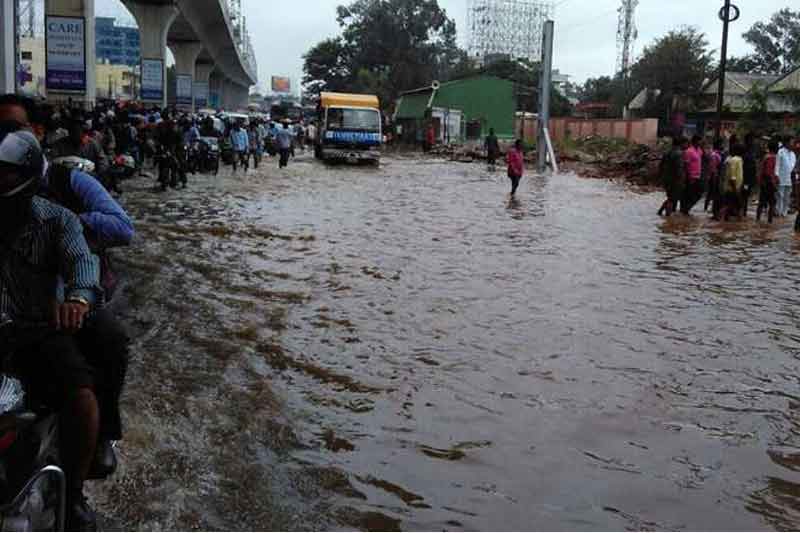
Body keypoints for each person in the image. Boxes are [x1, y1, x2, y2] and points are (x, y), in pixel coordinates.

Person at [0, 124, 118, 531]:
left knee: (83, 397)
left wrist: (78, 298)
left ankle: (74, 497)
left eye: (6, 172)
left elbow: (82, 261)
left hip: (34, 332)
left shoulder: (58, 219)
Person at [658, 136, 687, 217]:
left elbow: (661, 166)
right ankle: (667, 216)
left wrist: (661, 177)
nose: (686, 145)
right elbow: (679, 169)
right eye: (685, 143)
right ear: (681, 144)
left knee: (670, 197)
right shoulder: (679, 154)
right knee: (672, 199)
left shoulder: (667, 152)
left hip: (666, 179)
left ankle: (660, 212)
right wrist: (682, 180)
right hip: (675, 180)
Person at [720, 143, 745, 221]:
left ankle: (724, 220)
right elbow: (732, 176)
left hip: (735, 187)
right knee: (737, 206)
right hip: (732, 188)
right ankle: (721, 218)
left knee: (731, 205)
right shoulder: (735, 160)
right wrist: (735, 189)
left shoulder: (738, 160)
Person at [757, 140, 779, 224]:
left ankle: (758, 220)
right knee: (772, 202)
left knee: (762, 202)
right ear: (775, 148)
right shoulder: (772, 157)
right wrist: (774, 184)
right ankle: (770, 222)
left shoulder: (766, 156)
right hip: (768, 183)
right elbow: (768, 172)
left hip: (763, 183)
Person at [681, 135, 704, 214]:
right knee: (689, 194)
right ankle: (684, 210)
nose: (701, 142)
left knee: (699, 193)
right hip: (690, 177)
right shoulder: (688, 151)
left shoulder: (700, 151)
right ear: (695, 141)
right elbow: (686, 165)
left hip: (698, 176)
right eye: (699, 141)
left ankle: (687, 208)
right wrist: (689, 176)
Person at [777, 136, 797, 217]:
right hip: (781, 177)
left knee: (787, 196)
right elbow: (777, 165)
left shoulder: (793, 154)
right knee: (780, 195)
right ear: (786, 143)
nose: (793, 144)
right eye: (791, 142)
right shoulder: (780, 152)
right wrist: (776, 176)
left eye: (793, 142)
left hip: (789, 178)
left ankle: (784, 212)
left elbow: (793, 167)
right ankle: (779, 212)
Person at [741, 133, 758, 217]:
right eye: (751, 140)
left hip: (750, 177)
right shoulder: (743, 150)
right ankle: (742, 211)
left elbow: (754, 163)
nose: (753, 141)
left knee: (746, 194)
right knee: (744, 193)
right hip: (744, 177)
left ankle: (744, 211)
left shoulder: (753, 150)